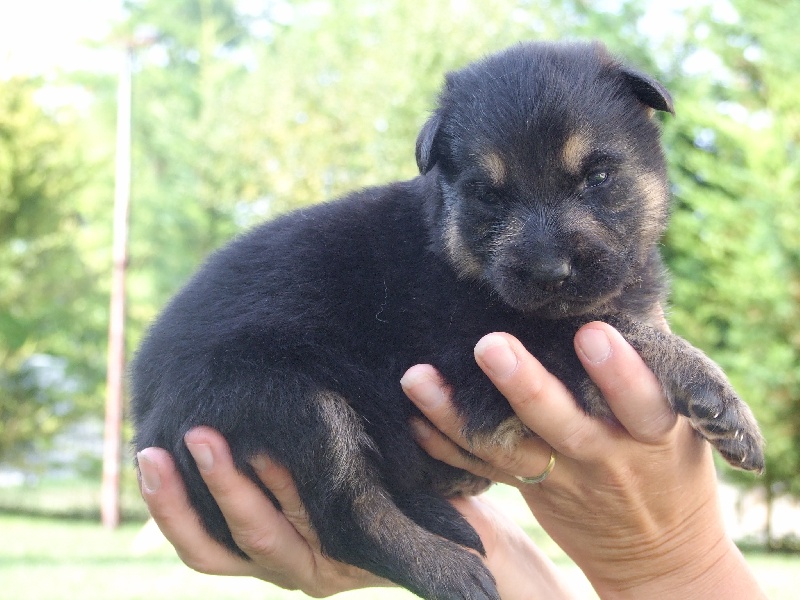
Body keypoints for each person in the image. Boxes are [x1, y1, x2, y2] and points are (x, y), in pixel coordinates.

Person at [136, 322, 767, 599]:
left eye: (598, 181)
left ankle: (375, 518)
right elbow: (491, 391)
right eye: (494, 198)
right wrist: (676, 562)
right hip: (238, 385)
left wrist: (671, 562)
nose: (551, 256)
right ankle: (370, 522)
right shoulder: (445, 281)